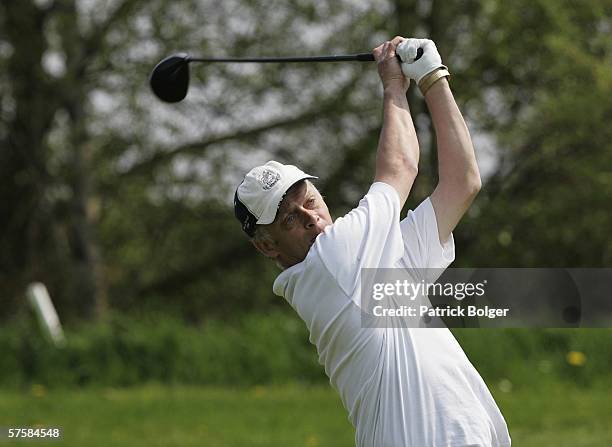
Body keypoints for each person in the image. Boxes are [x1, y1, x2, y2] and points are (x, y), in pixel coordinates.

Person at [233, 36, 511, 447]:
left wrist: (435, 79)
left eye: (310, 200)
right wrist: (394, 85)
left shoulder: (373, 262)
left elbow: (462, 184)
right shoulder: (330, 265)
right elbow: (400, 166)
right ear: (268, 246)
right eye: (290, 218)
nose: (312, 219)